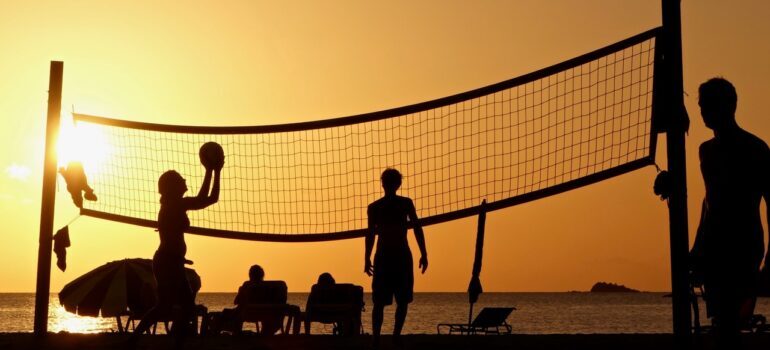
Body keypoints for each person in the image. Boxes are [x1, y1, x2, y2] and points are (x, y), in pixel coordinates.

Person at [690, 77, 769, 348]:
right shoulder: (706, 151)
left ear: (730, 106)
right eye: (702, 106)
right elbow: (708, 201)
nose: (703, 112)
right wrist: (697, 249)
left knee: (732, 324)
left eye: (709, 105)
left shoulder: (755, 149)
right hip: (713, 248)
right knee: (721, 324)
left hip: (744, 246)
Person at [131, 161, 221, 348]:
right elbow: (206, 198)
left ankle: (140, 339)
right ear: (172, 186)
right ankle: (146, 340)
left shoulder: (173, 204)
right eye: (181, 179)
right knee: (177, 307)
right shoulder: (174, 204)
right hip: (167, 262)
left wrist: (214, 171)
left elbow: (210, 198)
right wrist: (212, 170)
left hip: (171, 261)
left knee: (173, 307)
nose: (185, 180)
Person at [365, 168, 428, 348]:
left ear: (383, 183)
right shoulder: (404, 203)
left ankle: (378, 339)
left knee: (383, 302)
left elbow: (370, 235)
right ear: (398, 184)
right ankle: (393, 337)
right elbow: (417, 228)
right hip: (398, 255)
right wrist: (424, 253)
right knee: (400, 301)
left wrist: (366, 258)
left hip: (386, 256)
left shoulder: (376, 207)